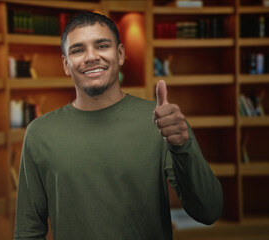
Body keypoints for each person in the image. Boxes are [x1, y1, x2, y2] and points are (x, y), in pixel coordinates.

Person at [14, 12, 223, 240]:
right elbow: (28, 230)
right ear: (66, 64)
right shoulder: (39, 133)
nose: (91, 57)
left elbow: (208, 211)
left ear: (120, 54)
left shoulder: (162, 122)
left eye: (102, 46)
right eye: (78, 50)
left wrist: (183, 146)